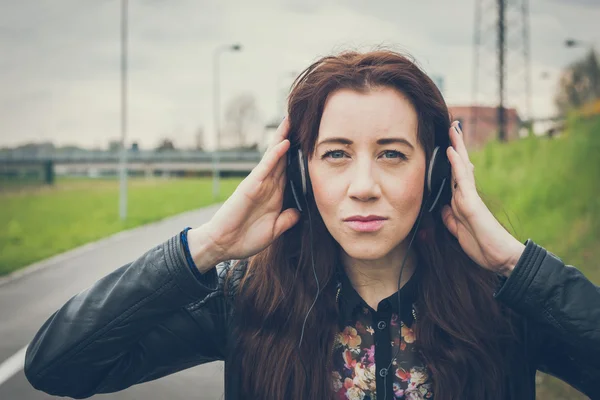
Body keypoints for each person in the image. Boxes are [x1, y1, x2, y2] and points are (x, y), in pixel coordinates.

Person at [24, 50, 599, 400]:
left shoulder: (502, 305)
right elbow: (58, 363)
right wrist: (205, 248)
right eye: (336, 153)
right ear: (300, 175)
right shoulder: (246, 299)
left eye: (393, 153)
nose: (364, 184)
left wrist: (514, 265)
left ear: (438, 174)